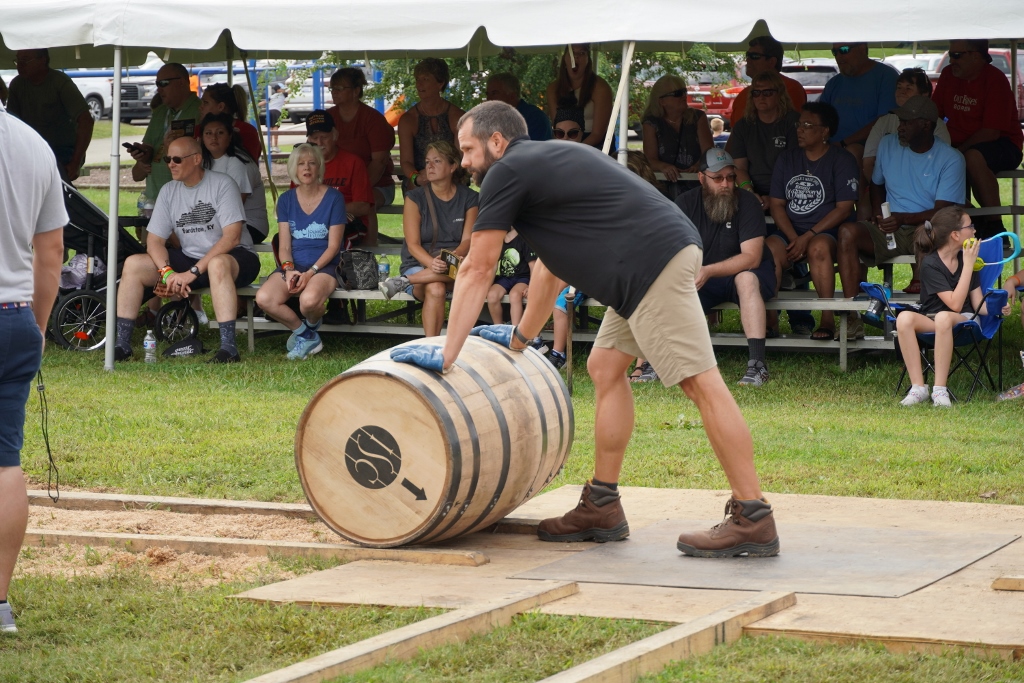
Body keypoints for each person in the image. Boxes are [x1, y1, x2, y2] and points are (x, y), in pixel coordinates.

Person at [392, 100, 780, 558]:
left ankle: (753, 516)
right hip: (647, 261)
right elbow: (548, 270)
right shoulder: (544, 165)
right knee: (605, 367)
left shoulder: (507, 170)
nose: (465, 162)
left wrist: (448, 353)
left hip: (650, 264)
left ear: (497, 141)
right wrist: (520, 337)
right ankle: (602, 505)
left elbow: (478, 267)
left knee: (701, 384)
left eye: (469, 149)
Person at [0, 106, 66, 635]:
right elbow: (52, 253)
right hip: (15, 315)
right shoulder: (32, 143)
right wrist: (38, 326)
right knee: (5, 462)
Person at [114, 137, 261, 363]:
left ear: (197, 159)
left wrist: (192, 272)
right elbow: (154, 241)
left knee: (217, 264)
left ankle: (229, 348)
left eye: (177, 159)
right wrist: (167, 273)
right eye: (167, 159)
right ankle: (122, 345)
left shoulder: (223, 184)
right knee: (134, 264)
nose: (170, 164)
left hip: (236, 257)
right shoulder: (168, 190)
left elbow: (232, 237)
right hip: (190, 258)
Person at [837, 96, 965, 313]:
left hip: (925, 229)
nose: (900, 127)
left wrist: (902, 218)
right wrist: (879, 214)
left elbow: (943, 211)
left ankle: (928, 314)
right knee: (847, 232)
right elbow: (876, 184)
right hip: (891, 228)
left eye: (906, 122)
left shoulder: (951, 158)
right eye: (900, 121)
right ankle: (851, 314)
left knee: (929, 233)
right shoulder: (888, 144)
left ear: (925, 125)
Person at [677, 149, 776, 386]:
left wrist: (709, 270)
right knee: (664, 285)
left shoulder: (748, 202)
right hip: (703, 276)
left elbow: (752, 258)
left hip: (746, 273)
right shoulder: (685, 203)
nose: (726, 184)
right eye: (718, 178)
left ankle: (757, 365)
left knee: (746, 279)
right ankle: (655, 362)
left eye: (731, 177)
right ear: (702, 178)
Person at [896, 206, 1009, 407]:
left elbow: (975, 305)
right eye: (970, 226)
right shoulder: (931, 264)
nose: (974, 230)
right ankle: (918, 388)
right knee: (904, 318)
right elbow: (954, 302)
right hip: (934, 319)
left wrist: (996, 308)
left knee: (944, 317)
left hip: (965, 321)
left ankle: (940, 390)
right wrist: (968, 265)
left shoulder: (967, 261)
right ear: (956, 235)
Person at [768, 102, 859, 341]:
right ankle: (769, 321)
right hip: (791, 232)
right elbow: (776, 204)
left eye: (807, 125)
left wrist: (808, 237)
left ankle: (827, 318)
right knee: (769, 249)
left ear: (825, 131)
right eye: (799, 124)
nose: (800, 130)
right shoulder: (787, 159)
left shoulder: (841, 159)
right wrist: (794, 238)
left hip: (827, 232)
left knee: (818, 248)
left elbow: (844, 208)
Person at [379, 140, 477, 337]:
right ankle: (431, 346)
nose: (429, 167)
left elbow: (467, 241)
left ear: (453, 166)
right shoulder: (415, 198)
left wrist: (450, 258)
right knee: (436, 288)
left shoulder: (470, 198)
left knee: (454, 275)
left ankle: (404, 281)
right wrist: (432, 263)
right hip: (419, 262)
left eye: (437, 161)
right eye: (427, 162)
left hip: (456, 261)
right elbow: (413, 244)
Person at [255, 144, 345, 360]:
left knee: (308, 302)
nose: (307, 168)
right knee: (264, 298)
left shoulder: (334, 198)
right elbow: (285, 246)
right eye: (301, 163)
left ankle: (310, 326)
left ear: (319, 167)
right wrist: (289, 270)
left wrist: (311, 272)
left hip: (326, 265)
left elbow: (334, 246)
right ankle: (306, 335)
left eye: (312, 163)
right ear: (293, 168)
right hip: (294, 264)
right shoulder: (286, 200)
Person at [932, 39, 1024, 237]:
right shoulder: (948, 75)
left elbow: (991, 132)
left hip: (1003, 143)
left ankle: (995, 225)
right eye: (950, 55)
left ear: (976, 55)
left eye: (957, 55)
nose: (951, 61)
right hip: (959, 146)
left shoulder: (995, 79)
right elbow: (934, 115)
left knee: (971, 157)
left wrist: (957, 152)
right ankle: (968, 224)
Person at [6, 49, 93, 182]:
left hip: (61, 151)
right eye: (18, 60)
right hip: (30, 151)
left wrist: (75, 163)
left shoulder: (60, 82)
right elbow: (11, 124)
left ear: (43, 60)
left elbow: (86, 121)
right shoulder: (17, 84)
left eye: (25, 60)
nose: (20, 64)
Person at [862, 68, 951, 188]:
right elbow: (869, 162)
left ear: (924, 94)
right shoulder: (884, 122)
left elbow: (942, 164)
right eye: (899, 87)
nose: (902, 92)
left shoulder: (937, 125)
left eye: (908, 88)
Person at [726, 70, 800, 211]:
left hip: (789, 190)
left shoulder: (793, 122)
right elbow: (740, 168)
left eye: (767, 93)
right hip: (753, 189)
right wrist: (750, 193)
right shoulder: (743, 125)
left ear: (779, 94)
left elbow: (795, 167)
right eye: (756, 93)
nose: (761, 97)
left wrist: (775, 198)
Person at [128, 63, 202, 203]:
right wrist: (143, 156)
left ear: (181, 82)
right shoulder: (160, 112)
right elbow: (136, 175)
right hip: (155, 199)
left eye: (163, 83)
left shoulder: (200, 111)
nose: (159, 89)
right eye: (157, 84)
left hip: (186, 200)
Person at [327, 67, 397, 210]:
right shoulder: (327, 117)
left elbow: (379, 162)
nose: (334, 92)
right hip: (333, 185)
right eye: (332, 88)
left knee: (362, 204)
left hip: (376, 185)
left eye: (339, 88)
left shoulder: (373, 119)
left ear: (356, 91)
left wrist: (356, 189)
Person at [818, 43, 899, 162]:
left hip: (869, 151)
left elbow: (885, 121)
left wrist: (843, 143)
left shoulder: (886, 77)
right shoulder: (834, 83)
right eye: (834, 52)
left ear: (862, 48)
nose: (838, 56)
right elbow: (819, 118)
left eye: (844, 50)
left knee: (853, 152)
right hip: (833, 148)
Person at [304, 110, 374, 247]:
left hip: (347, 222)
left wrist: (326, 211)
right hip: (312, 222)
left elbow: (363, 206)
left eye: (324, 137)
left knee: (329, 235)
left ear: (335, 135)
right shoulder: (303, 166)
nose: (319, 142)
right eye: (315, 138)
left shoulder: (353, 163)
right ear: (308, 140)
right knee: (282, 240)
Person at [199, 113, 269, 244]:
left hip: (249, 225)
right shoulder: (204, 161)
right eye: (208, 133)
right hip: (217, 222)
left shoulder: (238, 163)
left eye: (220, 133)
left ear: (230, 136)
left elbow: (234, 206)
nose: (214, 137)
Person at [397, 58, 466, 193]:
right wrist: (416, 178)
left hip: (452, 177)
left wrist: (442, 176)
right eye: (417, 79)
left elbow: (460, 158)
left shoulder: (457, 116)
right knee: (415, 188)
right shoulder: (408, 119)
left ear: (440, 83)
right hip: (419, 180)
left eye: (425, 79)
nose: (419, 84)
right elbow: (406, 161)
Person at [642, 75, 713, 201]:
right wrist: (663, 166)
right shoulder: (651, 123)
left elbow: (709, 152)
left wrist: (699, 164)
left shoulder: (698, 117)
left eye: (684, 91)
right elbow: (650, 159)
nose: (684, 96)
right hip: (663, 190)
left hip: (696, 188)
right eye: (677, 93)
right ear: (662, 101)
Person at [729, 35, 808, 128]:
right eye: (747, 55)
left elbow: (794, 127)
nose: (748, 60)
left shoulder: (790, 88)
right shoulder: (743, 95)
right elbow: (734, 132)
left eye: (754, 56)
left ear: (772, 61)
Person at [544, 44, 614, 149]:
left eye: (582, 53)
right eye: (572, 53)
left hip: (596, 145)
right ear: (565, 59)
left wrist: (577, 151)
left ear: (588, 60)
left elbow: (598, 133)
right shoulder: (553, 89)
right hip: (565, 141)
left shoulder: (600, 88)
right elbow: (558, 129)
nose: (576, 56)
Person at [198, 82, 262, 162]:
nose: (200, 107)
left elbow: (248, 162)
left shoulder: (246, 131)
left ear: (221, 106)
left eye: (205, 103)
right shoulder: (199, 129)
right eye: (208, 133)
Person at [486, 228, 536, 326]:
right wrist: (487, 286)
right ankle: (498, 328)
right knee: (492, 295)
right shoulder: (498, 240)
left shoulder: (525, 239)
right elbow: (494, 266)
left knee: (515, 295)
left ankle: (515, 329)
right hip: (504, 278)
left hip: (523, 278)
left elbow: (533, 266)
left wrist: (531, 286)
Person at [486, 72, 552, 141]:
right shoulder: (492, 121)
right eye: (487, 94)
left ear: (512, 96)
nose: (489, 99)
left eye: (494, 93)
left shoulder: (535, 118)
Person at [257, 82, 286, 152]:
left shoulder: (272, 96)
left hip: (269, 112)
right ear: (278, 90)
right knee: (275, 129)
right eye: (282, 89)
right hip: (276, 112)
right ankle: (275, 146)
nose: (284, 90)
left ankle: (270, 147)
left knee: (270, 130)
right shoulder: (283, 94)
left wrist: (255, 104)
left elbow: (262, 103)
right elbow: (291, 89)